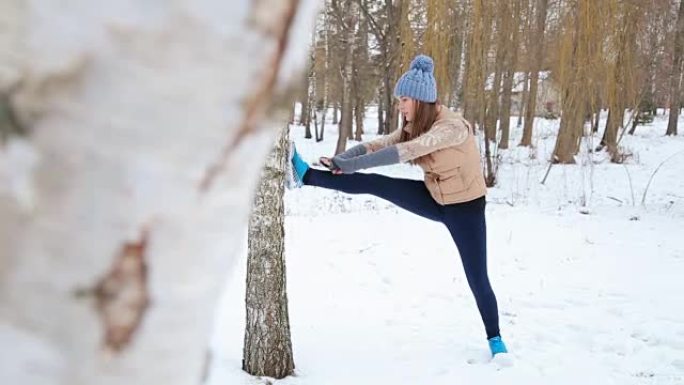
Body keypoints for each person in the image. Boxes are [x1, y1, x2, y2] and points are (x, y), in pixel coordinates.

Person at [287, 54, 508, 357]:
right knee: (376, 183)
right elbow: (383, 144)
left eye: (404, 99)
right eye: (399, 100)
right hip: (433, 197)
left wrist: (352, 165)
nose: (400, 106)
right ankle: (306, 176)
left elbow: (407, 151)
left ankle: (495, 339)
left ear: (420, 100)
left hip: (466, 210)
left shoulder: (452, 128)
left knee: (477, 278)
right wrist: (345, 159)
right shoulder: (413, 124)